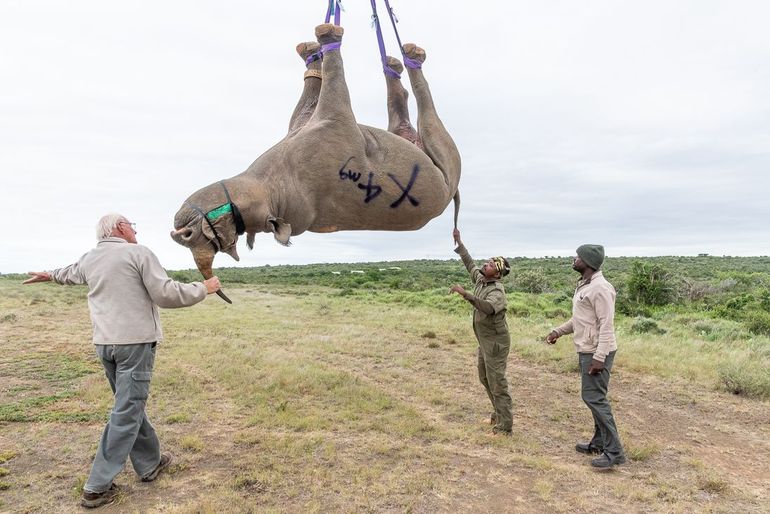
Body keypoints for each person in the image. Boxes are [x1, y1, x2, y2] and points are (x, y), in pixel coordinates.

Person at [24, 213, 221, 508]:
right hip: (134, 345)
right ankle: (97, 486)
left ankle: (150, 463)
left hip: (105, 345)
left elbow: (70, 272)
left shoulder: (91, 258)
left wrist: (49, 274)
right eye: (131, 224)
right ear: (119, 227)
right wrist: (203, 288)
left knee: (129, 404)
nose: (134, 229)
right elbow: (165, 294)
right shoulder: (138, 253)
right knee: (128, 410)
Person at [545, 244, 626, 468]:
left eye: (578, 257)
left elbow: (606, 325)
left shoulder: (600, 288)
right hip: (589, 349)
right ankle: (600, 442)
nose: (574, 259)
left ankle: (615, 452)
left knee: (595, 399)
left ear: (588, 262)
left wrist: (600, 357)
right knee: (594, 398)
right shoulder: (586, 285)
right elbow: (580, 320)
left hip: (596, 351)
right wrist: (557, 332)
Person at [450, 228, 513, 435]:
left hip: (496, 343)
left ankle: (505, 426)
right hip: (484, 341)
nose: (485, 264)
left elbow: (487, 307)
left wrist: (465, 294)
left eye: (491, 265)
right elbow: (470, 263)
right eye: (487, 261)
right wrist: (460, 243)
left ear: (497, 273)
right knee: (485, 378)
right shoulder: (481, 280)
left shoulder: (497, 291)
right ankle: (497, 414)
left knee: (497, 382)